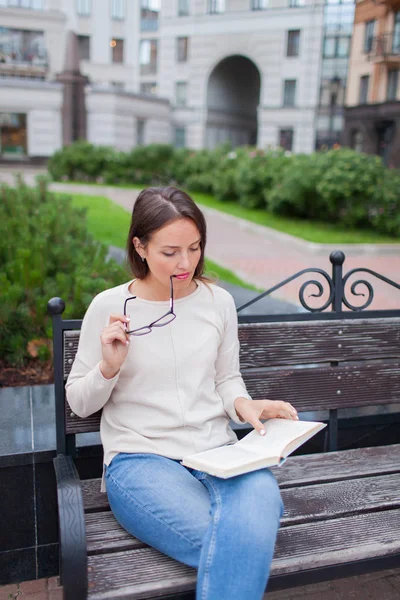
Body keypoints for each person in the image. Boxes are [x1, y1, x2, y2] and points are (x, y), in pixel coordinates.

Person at [66, 186, 299, 600]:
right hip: (141, 459)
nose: (186, 263)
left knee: (261, 502)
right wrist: (108, 367)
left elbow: (227, 379)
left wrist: (245, 404)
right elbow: (80, 402)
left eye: (194, 248)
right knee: (239, 538)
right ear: (139, 246)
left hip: (219, 451)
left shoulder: (217, 302)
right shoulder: (109, 307)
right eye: (170, 251)